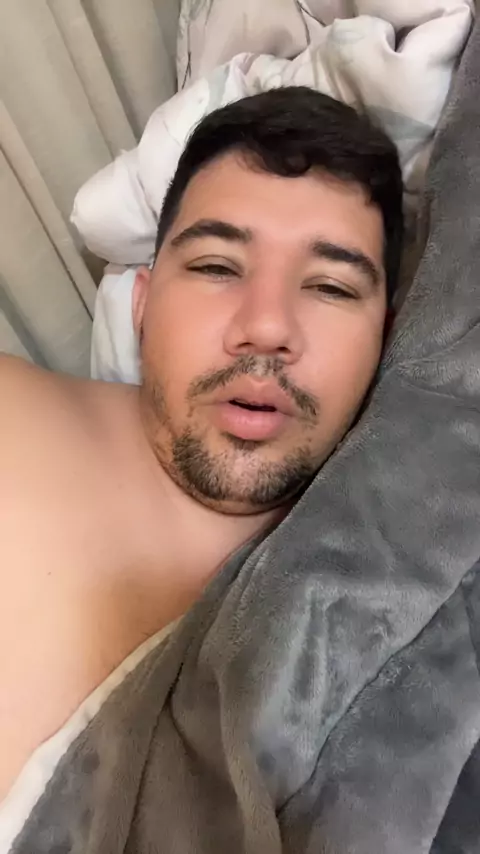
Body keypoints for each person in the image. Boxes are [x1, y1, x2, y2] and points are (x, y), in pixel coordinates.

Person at [0, 87, 403, 798]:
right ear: (143, 304)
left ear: (387, 338)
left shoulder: (401, 562)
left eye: (332, 287)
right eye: (217, 267)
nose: (267, 326)